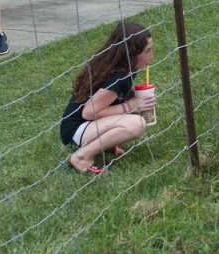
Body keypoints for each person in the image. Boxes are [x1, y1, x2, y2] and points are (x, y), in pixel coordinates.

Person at [60, 22, 156, 174]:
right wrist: (131, 106)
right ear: (132, 54)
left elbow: (112, 98)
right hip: (75, 131)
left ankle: (107, 145)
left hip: (87, 126)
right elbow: (89, 113)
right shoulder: (119, 77)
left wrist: (133, 96)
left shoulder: (125, 66)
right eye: (147, 51)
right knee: (136, 124)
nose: (152, 55)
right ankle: (81, 157)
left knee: (132, 117)